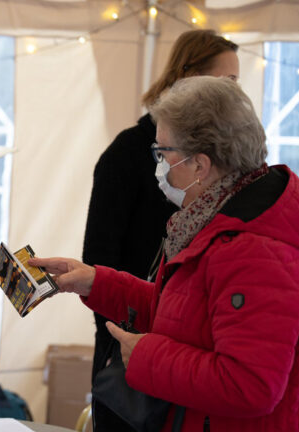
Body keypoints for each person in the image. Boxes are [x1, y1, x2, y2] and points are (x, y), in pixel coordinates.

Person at [32, 76, 299, 431]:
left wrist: (147, 357)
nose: (159, 165)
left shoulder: (257, 249)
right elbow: (183, 315)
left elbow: (249, 385)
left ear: (200, 165)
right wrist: (96, 282)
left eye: (163, 153)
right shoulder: (215, 221)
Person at [82, 29, 239, 430]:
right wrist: (118, 338)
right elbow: (101, 251)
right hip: (131, 345)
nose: (235, 95)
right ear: (189, 78)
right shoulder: (126, 154)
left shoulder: (225, 171)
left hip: (181, 357)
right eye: (227, 82)